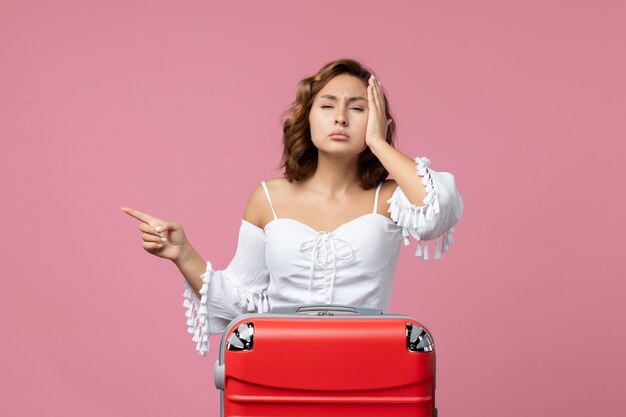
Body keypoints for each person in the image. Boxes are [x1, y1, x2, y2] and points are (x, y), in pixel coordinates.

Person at [122, 58, 464, 356]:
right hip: (279, 368)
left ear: (376, 121)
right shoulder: (268, 197)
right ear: (308, 118)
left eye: (358, 108)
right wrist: (183, 254)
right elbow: (239, 307)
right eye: (328, 105)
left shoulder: (391, 199)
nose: (341, 118)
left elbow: (440, 208)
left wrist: (377, 141)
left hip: (367, 365)